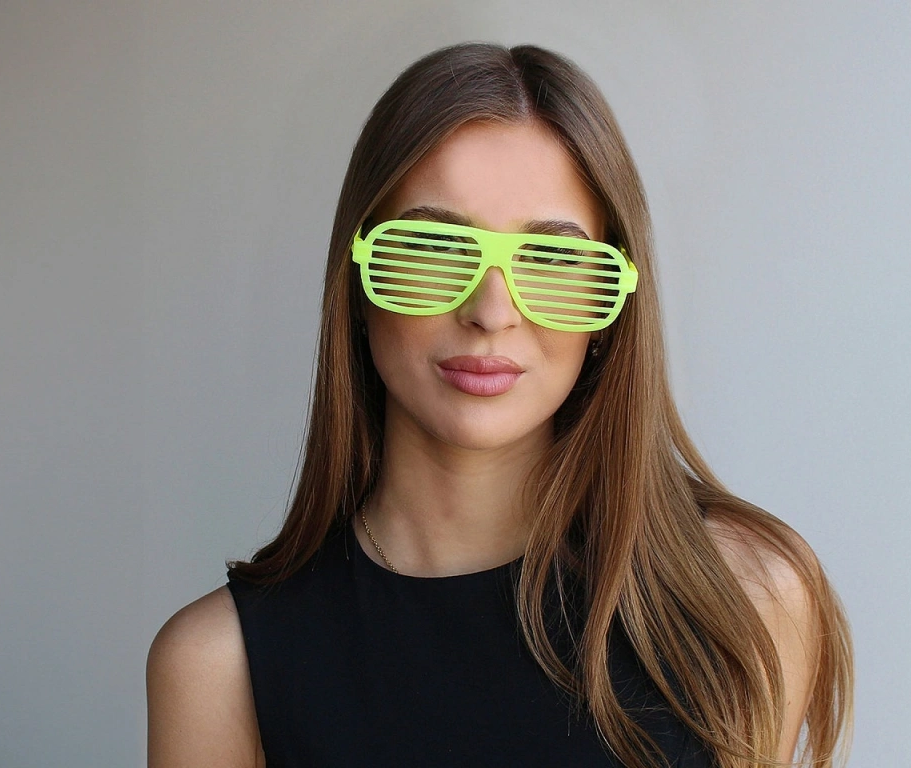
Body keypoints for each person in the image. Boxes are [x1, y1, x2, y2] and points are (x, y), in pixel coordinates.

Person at [146, 43, 853, 768]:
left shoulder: (744, 596)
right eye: (435, 245)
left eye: (551, 258)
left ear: (609, 307)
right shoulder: (218, 668)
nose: (491, 310)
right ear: (357, 281)